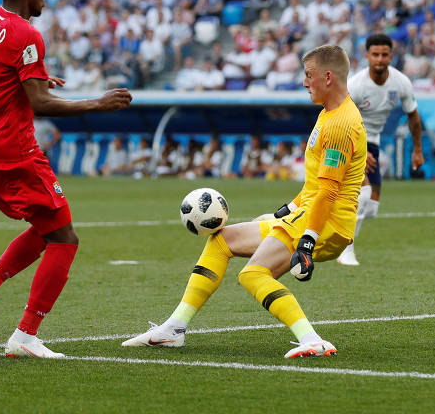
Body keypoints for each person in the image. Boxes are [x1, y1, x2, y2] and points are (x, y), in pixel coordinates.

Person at [122, 44, 366, 358]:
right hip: (310, 214)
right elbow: (315, 184)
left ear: (328, 77)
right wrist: (285, 211)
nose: (305, 83)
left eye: (309, 76)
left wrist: (307, 241)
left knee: (253, 274)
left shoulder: (341, 124)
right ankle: (174, 329)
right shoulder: (328, 114)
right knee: (222, 240)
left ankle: (312, 340)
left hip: (327, 222)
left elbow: (328, 193)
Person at [0, 0, 132, 359]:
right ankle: (26, 335)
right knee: (65, 238)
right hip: (14, 149)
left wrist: (18, 81)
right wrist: (97, 103)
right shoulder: (26, 35)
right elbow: (40, 103)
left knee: (49, 225)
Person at [339, 34, 423, 266]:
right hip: (349, 139)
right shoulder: (355, 85)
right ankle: (345, 250)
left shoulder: (401, 83)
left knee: (372, 208)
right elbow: (340, 120)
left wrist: (417, 150)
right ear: (367, 56)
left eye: (384, 54)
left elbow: (413, 116)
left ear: (390, 56)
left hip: (372, 140)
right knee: (363, 196)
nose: (379, 59)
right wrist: (359, 151)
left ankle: (333, 218)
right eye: (375, 54)